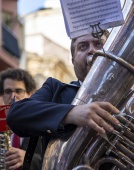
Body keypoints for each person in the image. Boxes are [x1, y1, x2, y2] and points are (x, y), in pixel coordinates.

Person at [6, 31, 120, 166]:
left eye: (99, 44)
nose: (92, 50)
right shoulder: (55, 88)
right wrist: (70, 113)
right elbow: (16, 114)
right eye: (83, 46)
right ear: (73, 61)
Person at [0, 68, 42, 170]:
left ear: (30, 94)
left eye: (19, 91)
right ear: (2, 95)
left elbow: (54, 160)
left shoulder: (43, 125)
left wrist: (28, 158)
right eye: (8, 91)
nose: (13, 96)